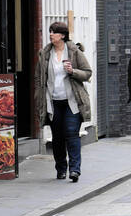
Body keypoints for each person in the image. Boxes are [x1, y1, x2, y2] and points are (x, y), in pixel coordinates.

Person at [34, 21, 93, 182]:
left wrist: (72, 71)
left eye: (54, 32)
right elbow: (38, 77)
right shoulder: (45, 54)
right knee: (57, 137)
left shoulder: (74, 51)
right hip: (53, 102)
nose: (51, 34)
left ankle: (75, 170)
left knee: (71, 133)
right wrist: (38, 98)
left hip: (72, 102)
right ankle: (61, 168)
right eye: (50, 32)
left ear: (62, 35)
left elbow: (88, 73)